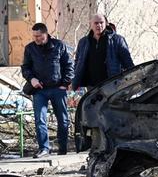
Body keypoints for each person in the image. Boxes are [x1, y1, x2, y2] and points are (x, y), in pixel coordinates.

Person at [21, 23, 74, 157]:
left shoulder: (59, 45)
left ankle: (62, 148)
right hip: (39, 90)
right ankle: (44, 148)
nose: (36, 38)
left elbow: (69, 65)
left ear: (45, 34)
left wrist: (65, 83)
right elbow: (25, 67)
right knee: (40, 119)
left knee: (63, 120)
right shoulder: (30, 48)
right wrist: (31, 79)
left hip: (58, 88)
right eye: (34, 36)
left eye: (38, 36)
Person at [72, 14, 135, 91]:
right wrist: (75, 79)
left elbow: (127, 62)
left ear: (106, 24)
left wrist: (134, 78)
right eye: (96, 23)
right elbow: (78, 62)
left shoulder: (117, 40)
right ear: (91, 24)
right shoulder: (83, 42)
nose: (99, 25)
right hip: (91, 86)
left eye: (101, 22)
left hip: (111, 84)